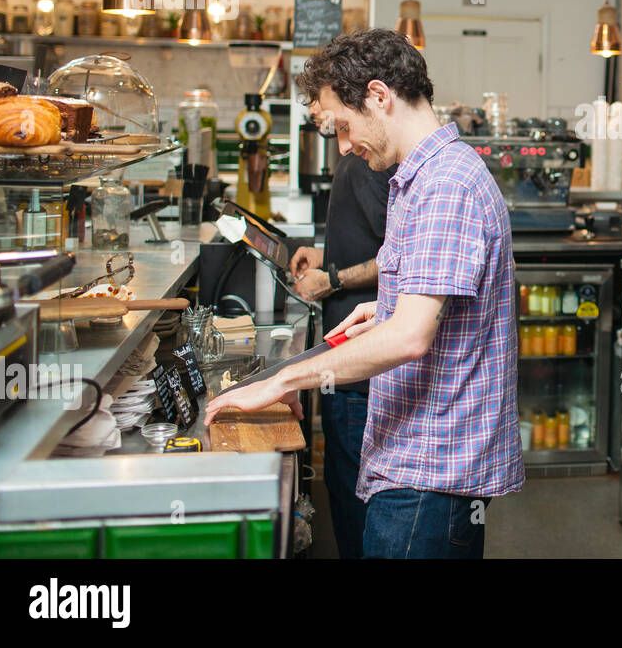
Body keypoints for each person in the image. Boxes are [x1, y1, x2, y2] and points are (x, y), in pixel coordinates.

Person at [206, 29, 524, 558]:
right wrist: (388, 305)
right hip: (416, 461)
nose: (346, 146)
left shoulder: (446, 185)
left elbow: (411, 338)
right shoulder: (416, 179)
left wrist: (281, 381)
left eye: (345, 127)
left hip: (429, 474)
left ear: (380, 95)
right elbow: (436, 308)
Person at [288, 153, 393, 559]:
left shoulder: (364, 162)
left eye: (319, 102)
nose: (315, 112)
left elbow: (395, 260)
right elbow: (368, 241)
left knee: (354, 500)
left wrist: (331, 279)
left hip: (358, 371)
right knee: (344, 485)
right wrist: (326, 253)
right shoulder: (358, 160)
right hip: (347, 360)